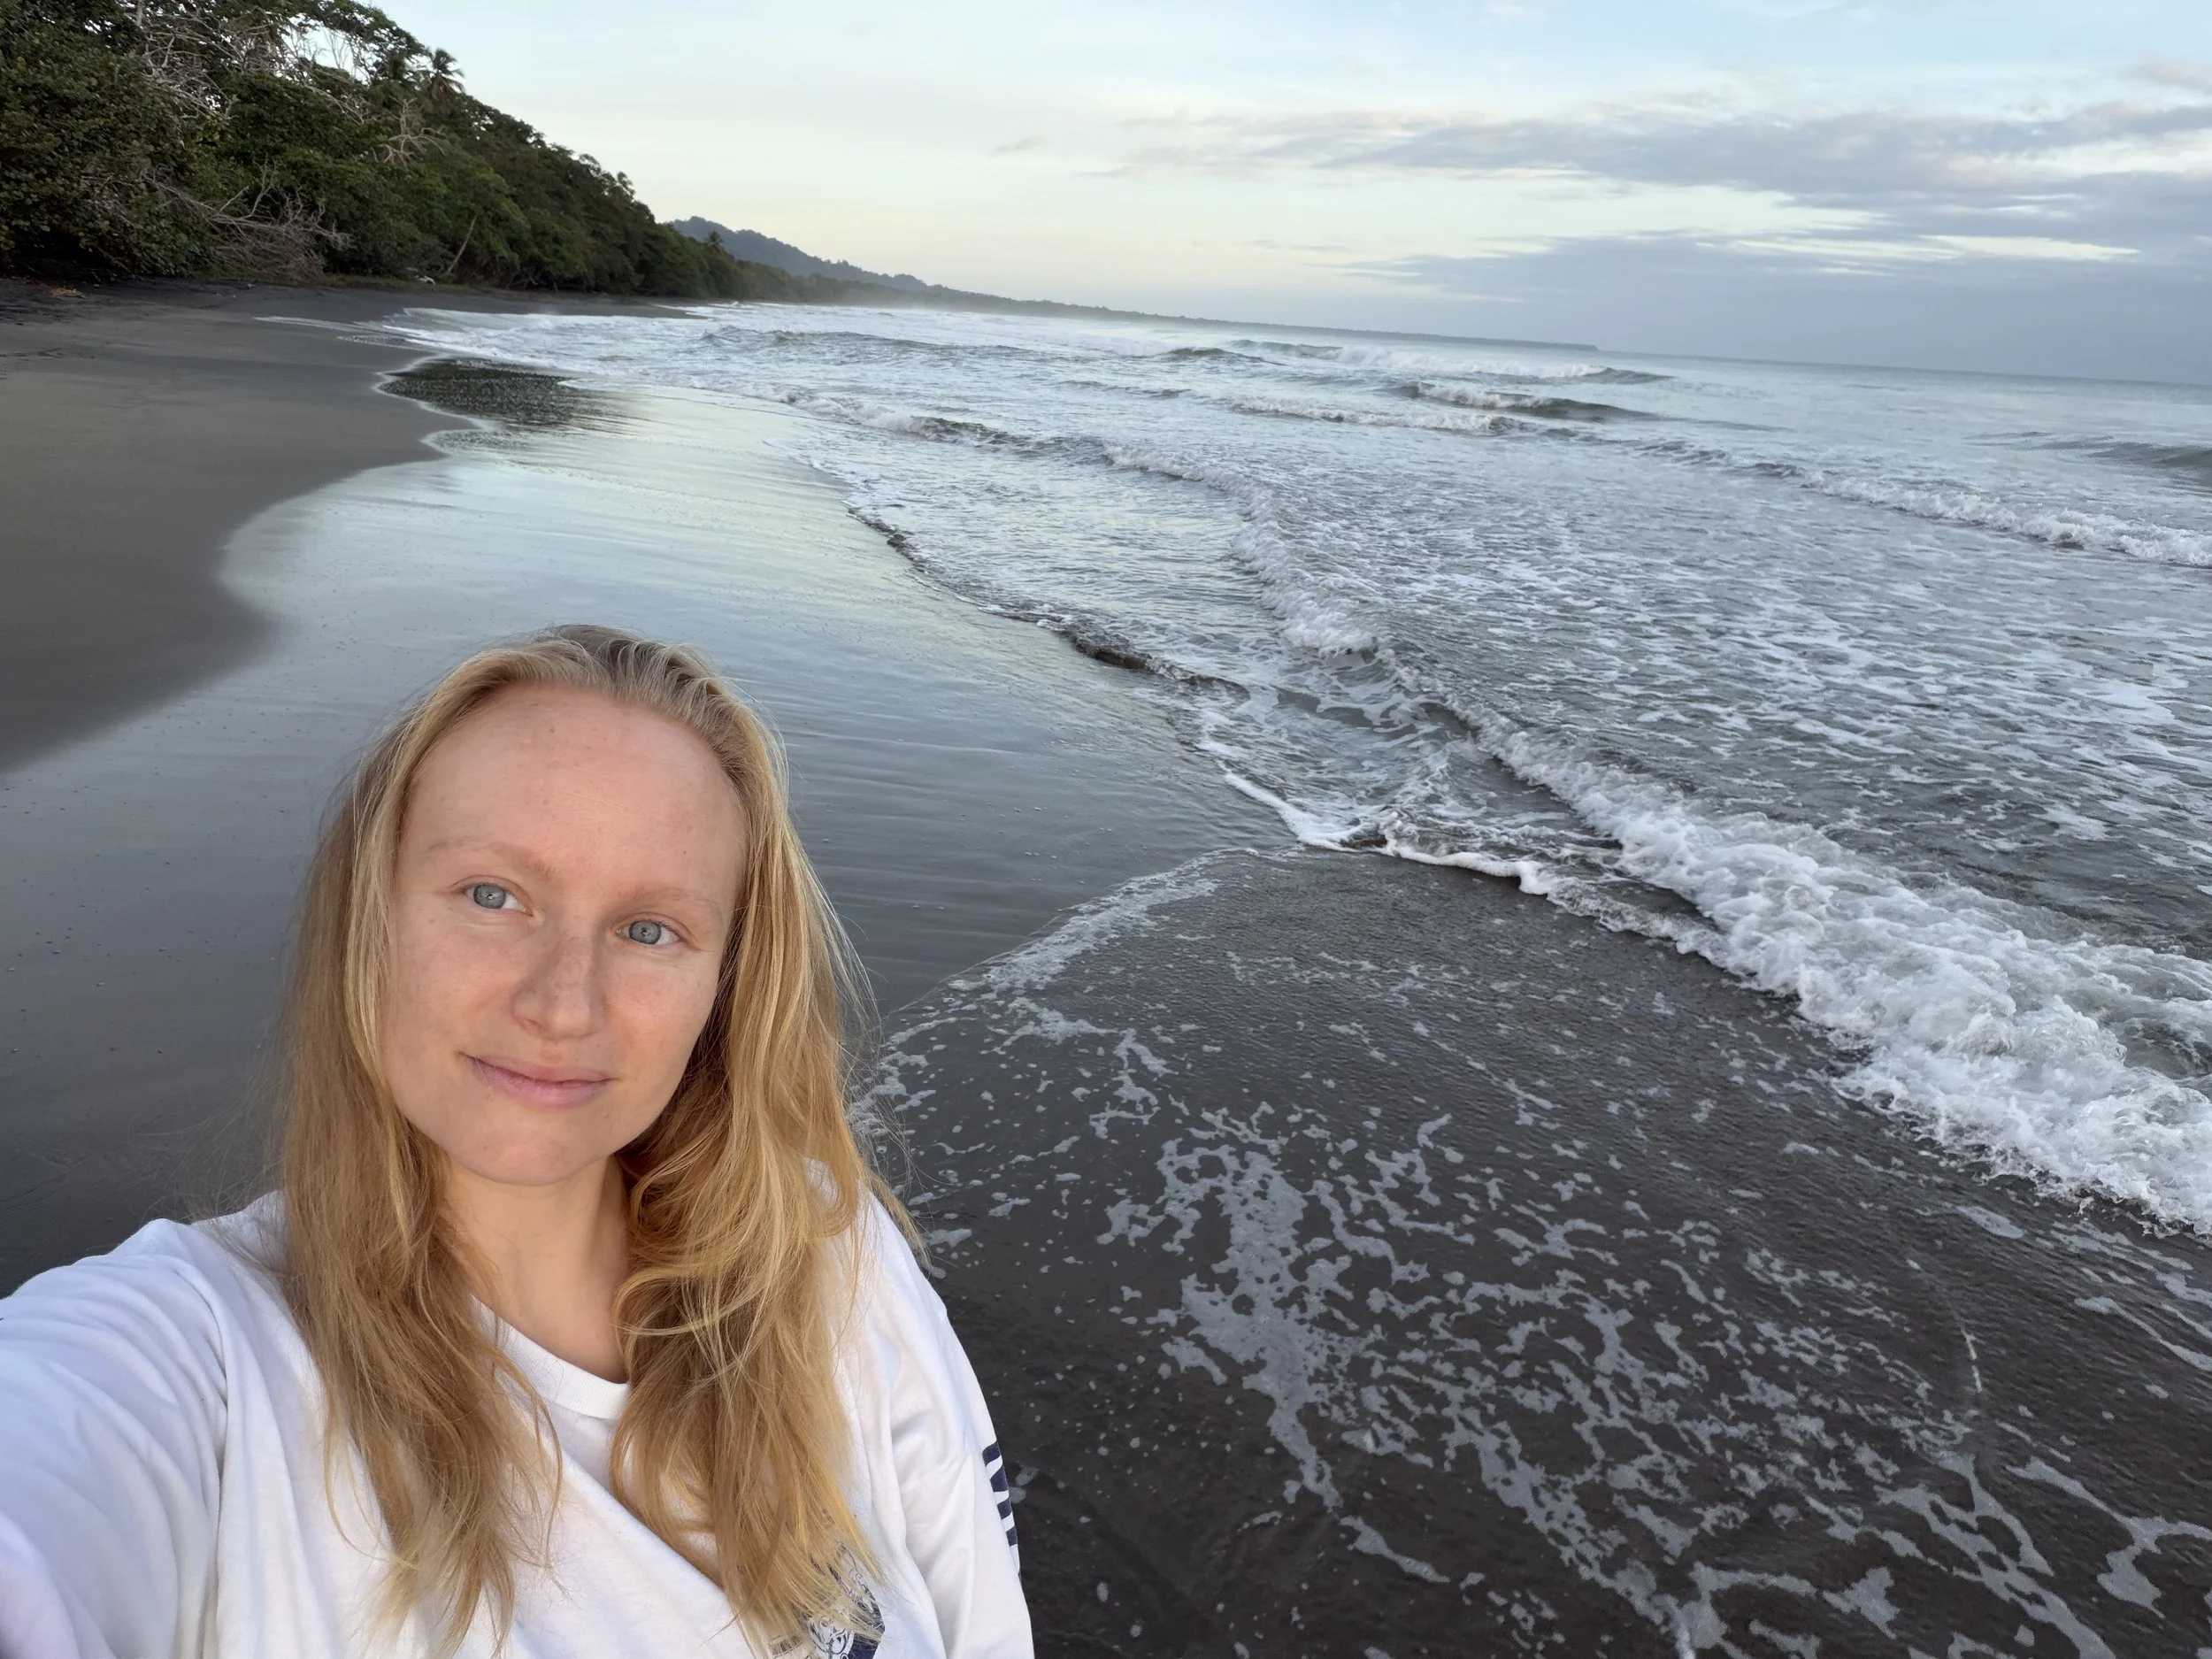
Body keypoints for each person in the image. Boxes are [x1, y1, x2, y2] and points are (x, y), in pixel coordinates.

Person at [0, 626, 1032, 1659]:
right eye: (493, 896)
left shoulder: (823, 1248)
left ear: (724, 985)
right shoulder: (200, 1358)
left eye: (649, 929)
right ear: (372, 916)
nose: (562, 1004)